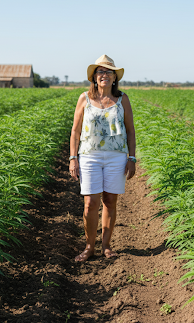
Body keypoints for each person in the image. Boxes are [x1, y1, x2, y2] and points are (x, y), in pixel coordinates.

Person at [69, 54, 136, 262]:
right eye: (100, 71)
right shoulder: (85, 98)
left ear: (115, 77)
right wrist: (73, 158)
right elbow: (75, 131)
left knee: (109, 201)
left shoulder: (122, 99)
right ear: (94, 77)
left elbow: (131, 131)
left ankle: (106, 246)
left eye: (108, 71)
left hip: (116, 157)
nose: (104, 75)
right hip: (90, 156)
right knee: (90, 202)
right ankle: (89, 247)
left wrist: (131, 158)